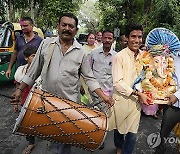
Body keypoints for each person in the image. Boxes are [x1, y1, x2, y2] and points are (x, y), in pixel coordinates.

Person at [11, 13, 114, 154]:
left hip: (69, 105)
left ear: (76, 30)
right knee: (49, 134)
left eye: (71, 26)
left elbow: (89, 78)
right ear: (58, 27)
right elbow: (34, 70)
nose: (67, 28)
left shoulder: (81, 52)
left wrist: (104, 96)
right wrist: (19, 89)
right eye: (64, 25)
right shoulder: (46, 44)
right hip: (46, 102)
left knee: (64, 143)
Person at [108, 23, 151, 154]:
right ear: (127, 38)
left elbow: (149, 75)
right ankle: (119, 148)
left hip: (136, 104)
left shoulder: (145, 56)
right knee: (119, 130)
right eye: (133, 36)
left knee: (132, 135)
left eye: (139, 37)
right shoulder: (119, 57)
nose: (137, 40)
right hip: (121, 101)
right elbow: (117, 83)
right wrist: (137, 93)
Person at [12, 45, 37, 154]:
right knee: (26, 124)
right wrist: (15, 103)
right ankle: (31, 143)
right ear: (26, 58)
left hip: (38, 102)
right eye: (32, 56)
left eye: (36, 55)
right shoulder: (21, 71)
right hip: (25, 101)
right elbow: (18, 86)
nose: (35, 58)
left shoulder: (42, 70)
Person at [154, 52, 180, 154]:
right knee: (164, 132)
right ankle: (160, 150)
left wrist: (177, 96)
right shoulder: (171, 56)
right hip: (171, 104)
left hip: (175, 98)